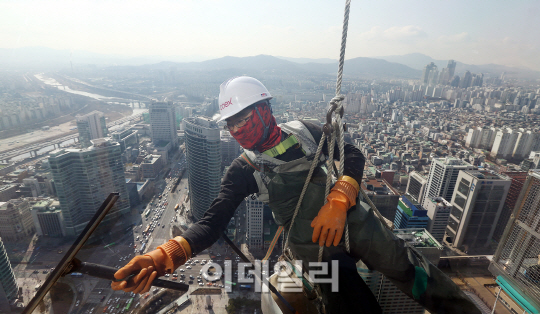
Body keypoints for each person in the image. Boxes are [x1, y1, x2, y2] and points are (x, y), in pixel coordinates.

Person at [112, 76, 480, 313]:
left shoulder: (306, 131)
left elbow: (351, 153)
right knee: (353, 310)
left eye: (244, 119)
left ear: (266, 109)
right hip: (316, 251)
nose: (238, 131)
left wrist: (340, 198)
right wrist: (164, 254)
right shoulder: (243, 170)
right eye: (231, 125)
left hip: (355, 223)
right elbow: (212, 222)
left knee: (419, 278)